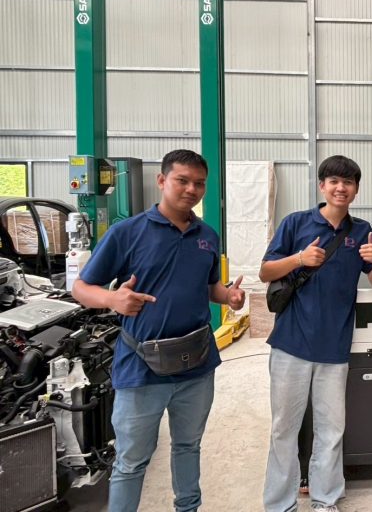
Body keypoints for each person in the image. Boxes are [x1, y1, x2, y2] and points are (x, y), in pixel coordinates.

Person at [72, 149, 246, 512]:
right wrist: (112, 300)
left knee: (188, 446)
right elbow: (81, 288)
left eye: (199, 183)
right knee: (132, 460)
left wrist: (228, 296)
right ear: (162, 180)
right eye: (182, 180)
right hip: (141, 369)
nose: (191, 189)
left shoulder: (207, 235)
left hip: (196, 365)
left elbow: (210, 287)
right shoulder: (128, 232)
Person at [260, 155, 372, 512]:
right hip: (291, 345)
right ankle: (279, 504)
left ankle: (325, 499)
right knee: (284, 429)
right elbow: (265, 271)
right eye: (333, 181)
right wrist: (299, 259)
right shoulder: (296, 223)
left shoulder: (361, 231)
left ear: (356, 189)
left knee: (331, 429)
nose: (340, 188)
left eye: (348, 182)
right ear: (322, 186)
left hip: (335, 348)